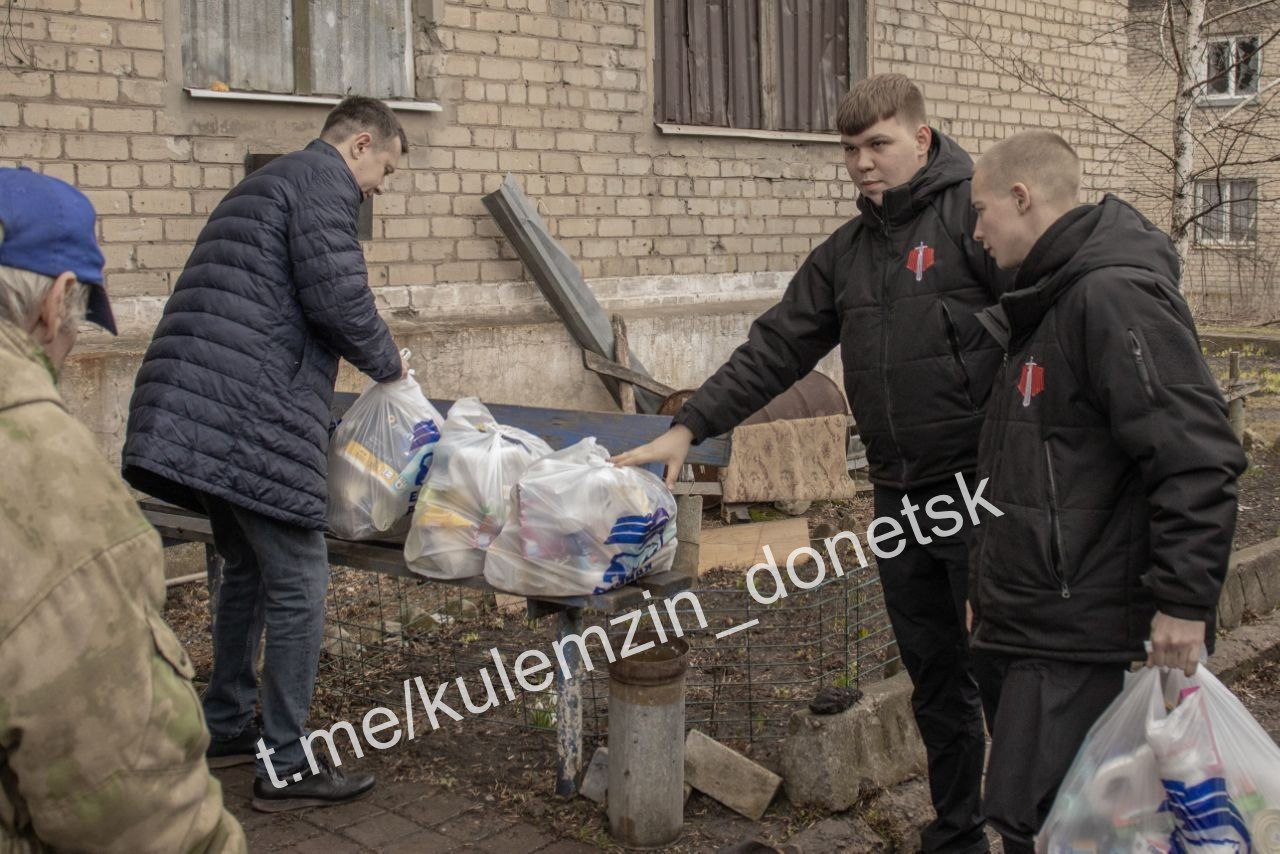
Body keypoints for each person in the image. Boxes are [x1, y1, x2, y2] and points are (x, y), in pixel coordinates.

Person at [613, 74, 1006, 853]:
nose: (862, 163)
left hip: (982, 496)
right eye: (850, 149)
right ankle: (958, 833)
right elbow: (777, 346)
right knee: (936, 680)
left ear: (921, 140)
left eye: (878, 145)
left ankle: (1041, 833)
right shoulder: (849, 254)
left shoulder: (977, 222)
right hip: (899, 498)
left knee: (1007, 674)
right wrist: (691, 426)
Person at [122, 96, 409, 812]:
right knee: (300, 579)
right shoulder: (323, 184)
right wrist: (393, 369)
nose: (382, 186)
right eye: (386, 169)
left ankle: (225, 721)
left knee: (244, 565)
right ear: (361, 143)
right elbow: (339, 299)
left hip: (200, 406)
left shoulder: (267, 182)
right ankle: (284, 762)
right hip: (247, 412)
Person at [965, 130, 1247, 852]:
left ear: (1022, 199)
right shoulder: (1046, 301)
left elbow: (1198, 456)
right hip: (1033, 619)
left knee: (1068, 826)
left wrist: (1185, 603)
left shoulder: (1110, 295)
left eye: (982, 210)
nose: (976, 231)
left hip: (1077, 629)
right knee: (1051, 823)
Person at [0, 168, 245, 851]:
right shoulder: (42, 479)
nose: (73, 338)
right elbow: (127, 798)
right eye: (78, 320)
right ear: (57, 300)